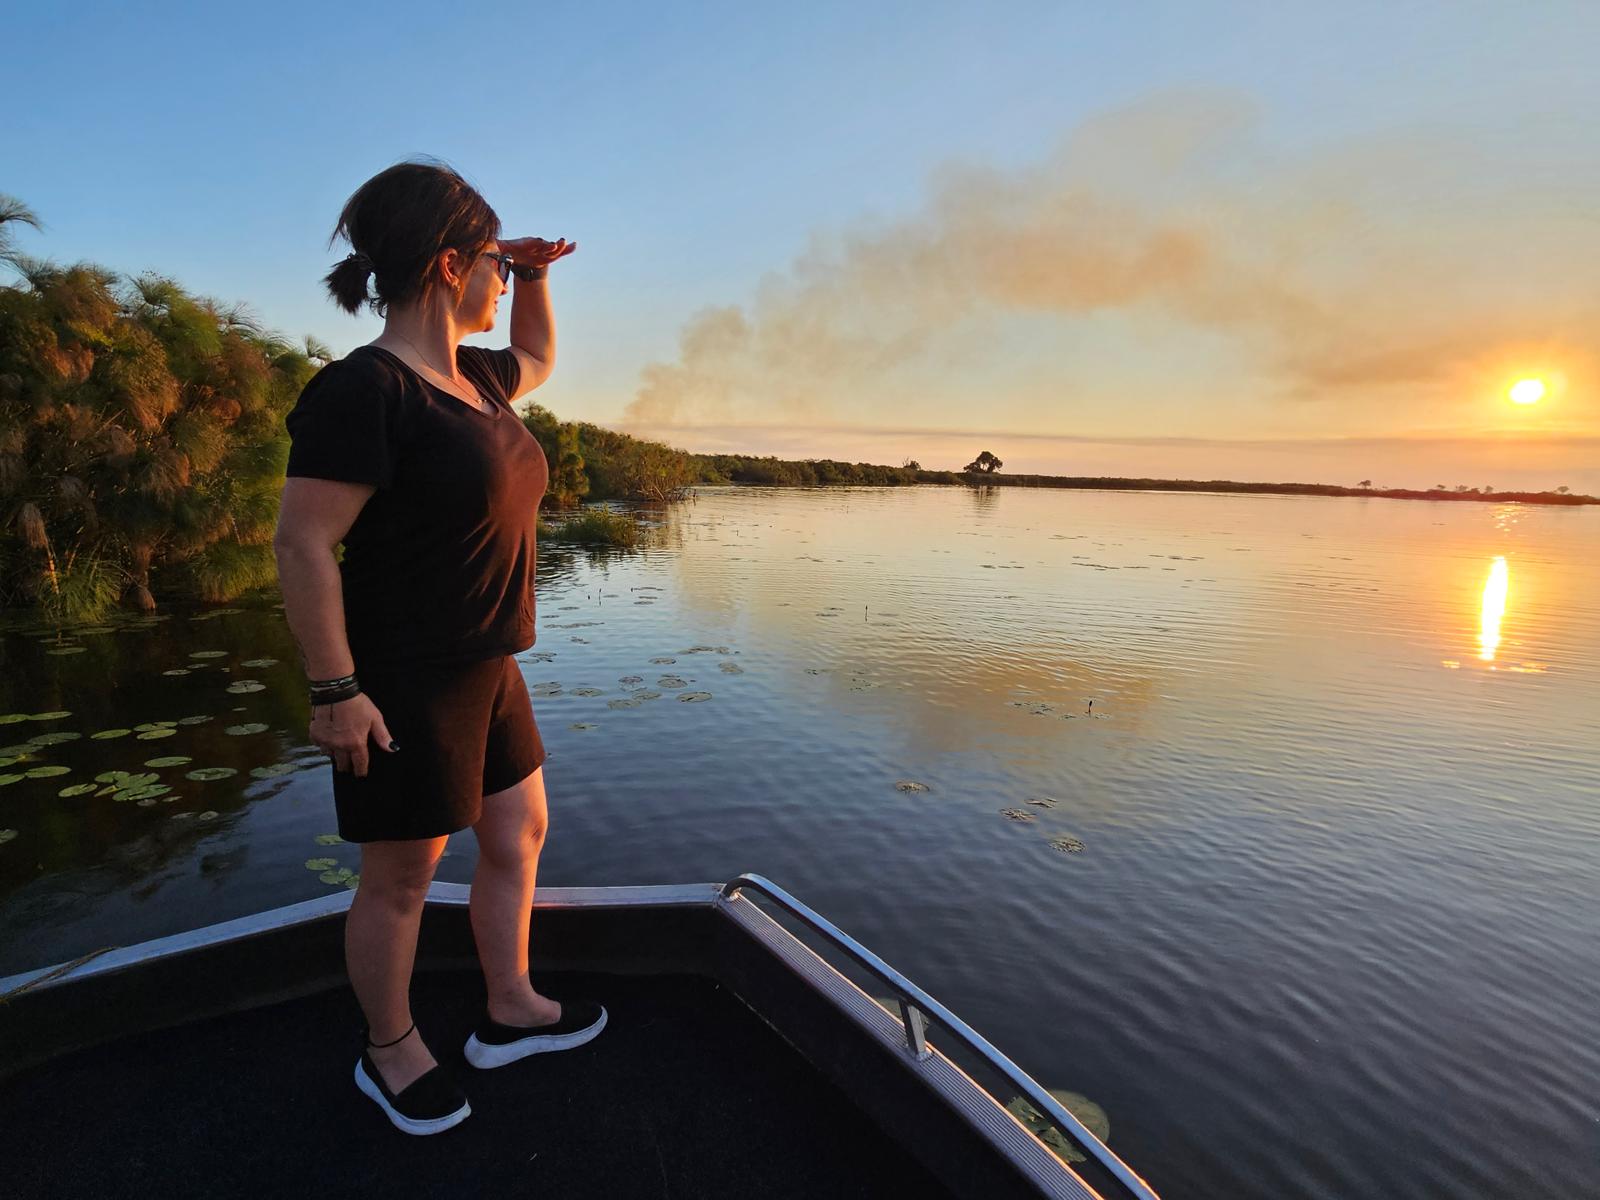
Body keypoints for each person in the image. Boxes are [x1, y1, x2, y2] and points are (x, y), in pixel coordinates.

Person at [272, 160, 604, 1136]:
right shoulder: (364, 389)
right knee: (402, 879)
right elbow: (301, 542)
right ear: (450, 262)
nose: (502, 282)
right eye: (496, 263)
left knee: (517, 836)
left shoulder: (481, 377)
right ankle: (390, 1049)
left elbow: (537, 356)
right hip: (405, 679)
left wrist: (539, 270)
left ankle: (510, 1006)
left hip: (491, 665)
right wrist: (336, 688)